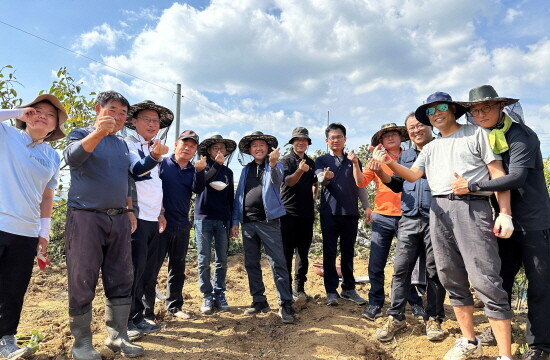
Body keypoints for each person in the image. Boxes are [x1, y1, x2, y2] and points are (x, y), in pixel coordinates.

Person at [371, 91, 514, 360]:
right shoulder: (432, 148)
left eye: (442, 107)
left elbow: (497, 173)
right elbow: (412, 175)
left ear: (453, 109)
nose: (436, 113)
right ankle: (469, 341)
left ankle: (505, 354)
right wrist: (387, 162)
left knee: (485, 277)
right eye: (431, 110)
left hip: (471, 205)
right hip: (438, 210)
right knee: (450, 275)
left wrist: (504, 213)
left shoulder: (475, 133)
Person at [451, 85, 550, 360]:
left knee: (540, 285)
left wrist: (471, 185)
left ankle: (540, 345)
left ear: (500, 108)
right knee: (500, 280)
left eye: (486, 108)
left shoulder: (521, 136)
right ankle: (497, 331)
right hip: (503, 222)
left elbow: (516, 177)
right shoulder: (486, 138)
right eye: (475, 110)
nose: (480, 114)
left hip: (533, 222)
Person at [64, 91, 164, 359]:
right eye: (112, 110)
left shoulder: (122, 145)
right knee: (82, 278)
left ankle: (117, 336)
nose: (118, 117)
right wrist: (97, 133)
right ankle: (82, 344)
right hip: (85, 216)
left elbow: (135, 173)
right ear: (98, 109)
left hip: (118, 217)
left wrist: (154, 157)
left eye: (122, 113)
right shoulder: (80, 133)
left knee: (122, 276)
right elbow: (71, 158)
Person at [0, 95, 66, 359]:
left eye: (49, 115)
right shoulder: (6, 134)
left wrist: (44, 231)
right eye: (36, 110)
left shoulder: (52, 156)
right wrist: (17, 112)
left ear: (54, 127)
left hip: (26, 231)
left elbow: (48, 196)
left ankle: (6, 340)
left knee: (14, 288)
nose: (41, 116)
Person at [371, 113, 446, 342]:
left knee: (434, 271)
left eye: (419, 125)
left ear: (430, 126)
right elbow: (396, 185)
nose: (416, 130)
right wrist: (380, 170)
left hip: (437, 218)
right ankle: (395, 316)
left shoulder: (442, 149)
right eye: (411, 127)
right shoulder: (406, 157)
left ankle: (434, 318)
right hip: (409, 220)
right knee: (401, 269)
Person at [351, 123, 424, 320]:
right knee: (376, 263)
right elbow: (360, 182)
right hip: (382, 216)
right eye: (386, 136)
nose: (390, 138)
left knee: (405, 264)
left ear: (401, 137)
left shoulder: (411, 158)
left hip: (407, 216)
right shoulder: (376, 160)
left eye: (394, 134)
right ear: (381, 142)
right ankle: (375, 303)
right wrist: (356, 164)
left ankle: (414, 302)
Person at [230, 131, 294, 324]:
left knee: (278, 262)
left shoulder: (276, 165)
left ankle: (285, 304)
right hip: (247, 222)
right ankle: (259, 300)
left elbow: (277, 180)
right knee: (251, 263)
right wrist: (235, 221)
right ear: (250, 150)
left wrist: (273, 163)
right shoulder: (246, 170)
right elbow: (239, 196)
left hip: (269, 222)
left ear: (268, 149)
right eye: (254, 146)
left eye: (262, 145)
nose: (258, 148)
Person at [145, 130, 206, 321]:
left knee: (178, 268)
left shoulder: (193, 169)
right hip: (159, 223)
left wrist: (200, 171)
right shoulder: (162, 164)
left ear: (195, 150)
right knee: (151, 268)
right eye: (184, 144)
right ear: (176, 145)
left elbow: (198, 189)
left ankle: (174, 306)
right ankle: (147, 312)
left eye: (192, 146)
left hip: (181, 224)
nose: (187, 148)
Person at [124, 101, 172, 337]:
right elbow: (136, 170)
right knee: (132, 270)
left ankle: (139, 316)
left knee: (146, 270)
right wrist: (154, 155)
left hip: (153, 217)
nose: (153, 124)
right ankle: (126, 322)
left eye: (156, 121)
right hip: (137, 218)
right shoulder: (129, 145)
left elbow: (156, 183)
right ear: (134, 122)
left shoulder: (154, 148)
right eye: (147, 119)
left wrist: (161, 212)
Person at [314, 123, 371, 307]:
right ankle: (331, 291)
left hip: (350, 213)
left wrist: (367, 206)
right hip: (329, 213)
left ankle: (348, 288)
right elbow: (319, 178)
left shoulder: (354, 160)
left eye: (339, 137)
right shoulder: (322, 160)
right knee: (329, 252)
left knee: (348, 252)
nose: (336, 140)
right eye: (332, 137)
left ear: (345, 139)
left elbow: (360, 184)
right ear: (327, 141)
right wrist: (325, 178)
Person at [194, 134, 236, 314]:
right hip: (203, 218)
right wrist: (216, 164)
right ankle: (206, 295)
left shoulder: (228, 173)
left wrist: (233, 222)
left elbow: (231, 200)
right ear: (209, 151)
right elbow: (201, 183)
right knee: (204, 259)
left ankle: (219, 293)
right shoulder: (203, 167)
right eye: (215, 148)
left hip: (222, 220)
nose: (219, 151)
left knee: (222, 260)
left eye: (222, 149)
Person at [280, 127, 318, 300]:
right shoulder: (285, 161)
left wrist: (315, 192)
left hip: (306, 214)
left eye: (304, 140)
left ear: (308, 143)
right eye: (297, 140)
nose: (301, 142)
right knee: (287, 253)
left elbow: (316, 180)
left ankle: (299, 288)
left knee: (303, 254)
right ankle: (286, 290)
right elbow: (289, 182)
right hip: (288, 213)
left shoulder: (312, 162)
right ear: (293, 143)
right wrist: (299, 171)